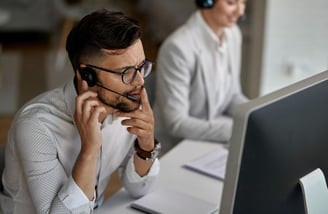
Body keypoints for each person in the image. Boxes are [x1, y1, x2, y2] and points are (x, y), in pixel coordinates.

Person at [0, 9, 161, 213]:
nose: (140, 81)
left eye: (141, 67)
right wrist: (90, 149)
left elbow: (138, 189)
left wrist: (146, 145)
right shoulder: (36, 126)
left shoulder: (124, 106)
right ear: (87, 75)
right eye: (126, 72)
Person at [153, 0, 248, 153]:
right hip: (175, 147)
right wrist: (235, 130)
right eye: (231, 3)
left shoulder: (233, 34)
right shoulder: (178, 48)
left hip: (211, 139)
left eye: (243, 2)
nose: (240, 12)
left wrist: (254, 117)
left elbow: (232, 96)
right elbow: (176, 122)